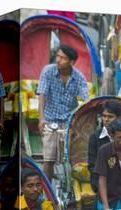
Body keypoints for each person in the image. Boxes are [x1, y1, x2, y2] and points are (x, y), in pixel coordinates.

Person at [37, 44, 90, 181]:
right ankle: (47, 192)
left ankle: (73, 190)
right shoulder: (48, 71)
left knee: (74, 160)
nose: (58, 60)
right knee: (49, 159)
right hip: (50, 121)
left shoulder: (79, 78)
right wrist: (41, 119)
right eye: (58, 56)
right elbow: (42, 94)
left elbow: (86, 99)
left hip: (69, 122)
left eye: (63, 58)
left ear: (71, 62)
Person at [87, 100, 121, 193]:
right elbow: (92, 165)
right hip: (103, 180)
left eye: (110, 116)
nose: (106, 119)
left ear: (118, 118)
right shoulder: (95, 138)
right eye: (104, 116)